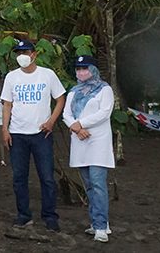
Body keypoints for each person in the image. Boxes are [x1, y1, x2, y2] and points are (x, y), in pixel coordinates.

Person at [0, 39, 66, 232]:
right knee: (19, 177)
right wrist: (5, 129)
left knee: (46, 177)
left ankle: (50, 216)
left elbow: (60, 99)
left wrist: (52, 121)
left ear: (34, 54)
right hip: (17, 134)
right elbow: (7, 105)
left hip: (41, 134)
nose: (22, 56)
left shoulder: (47, 75)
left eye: (26, 52)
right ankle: (23, 215)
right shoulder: (12, 77)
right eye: (18, 52)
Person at [62, 55, 115, 243]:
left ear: (93, 69)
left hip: (98, 141)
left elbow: (104, 112)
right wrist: (76, 128)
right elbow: (66, 114)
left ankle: (101, 226)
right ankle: (98, 222)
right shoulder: (74, 91)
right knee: (89, 185)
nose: (81, 72)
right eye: (78, 69)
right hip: (79, 141)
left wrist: (79, 124)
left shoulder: (104, 89)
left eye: (85, 68)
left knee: (98, 183)